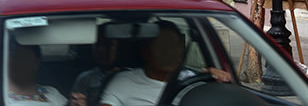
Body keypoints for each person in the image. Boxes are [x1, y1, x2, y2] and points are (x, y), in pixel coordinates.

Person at [99, 21, 230, 106]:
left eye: (175, 45)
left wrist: (223, 81)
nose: (170, 52)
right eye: (162, 46)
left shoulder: (195, 82)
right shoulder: (123, 83)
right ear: (145, 52)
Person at [5, 41, 67, 106]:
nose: (19, 63)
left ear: (36, 63)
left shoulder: (51, 92)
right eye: (15, 58)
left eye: (25, 58)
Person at [70, 29, 121, 106]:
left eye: (108, 45)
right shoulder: (85, 78)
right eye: (97, 44)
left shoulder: (130, 78)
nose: (101, 49)